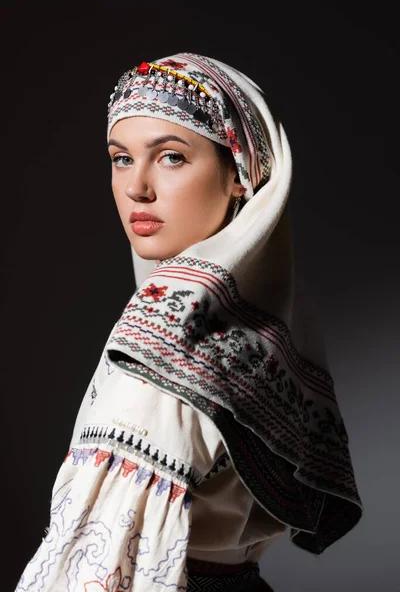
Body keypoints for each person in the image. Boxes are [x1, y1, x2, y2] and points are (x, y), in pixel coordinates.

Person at [15, 52, 363, 592]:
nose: (137, 188)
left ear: (241, 175)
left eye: (172, 157)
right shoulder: (269, 324)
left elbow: (95, 568)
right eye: (121, 158)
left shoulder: (163, 336)